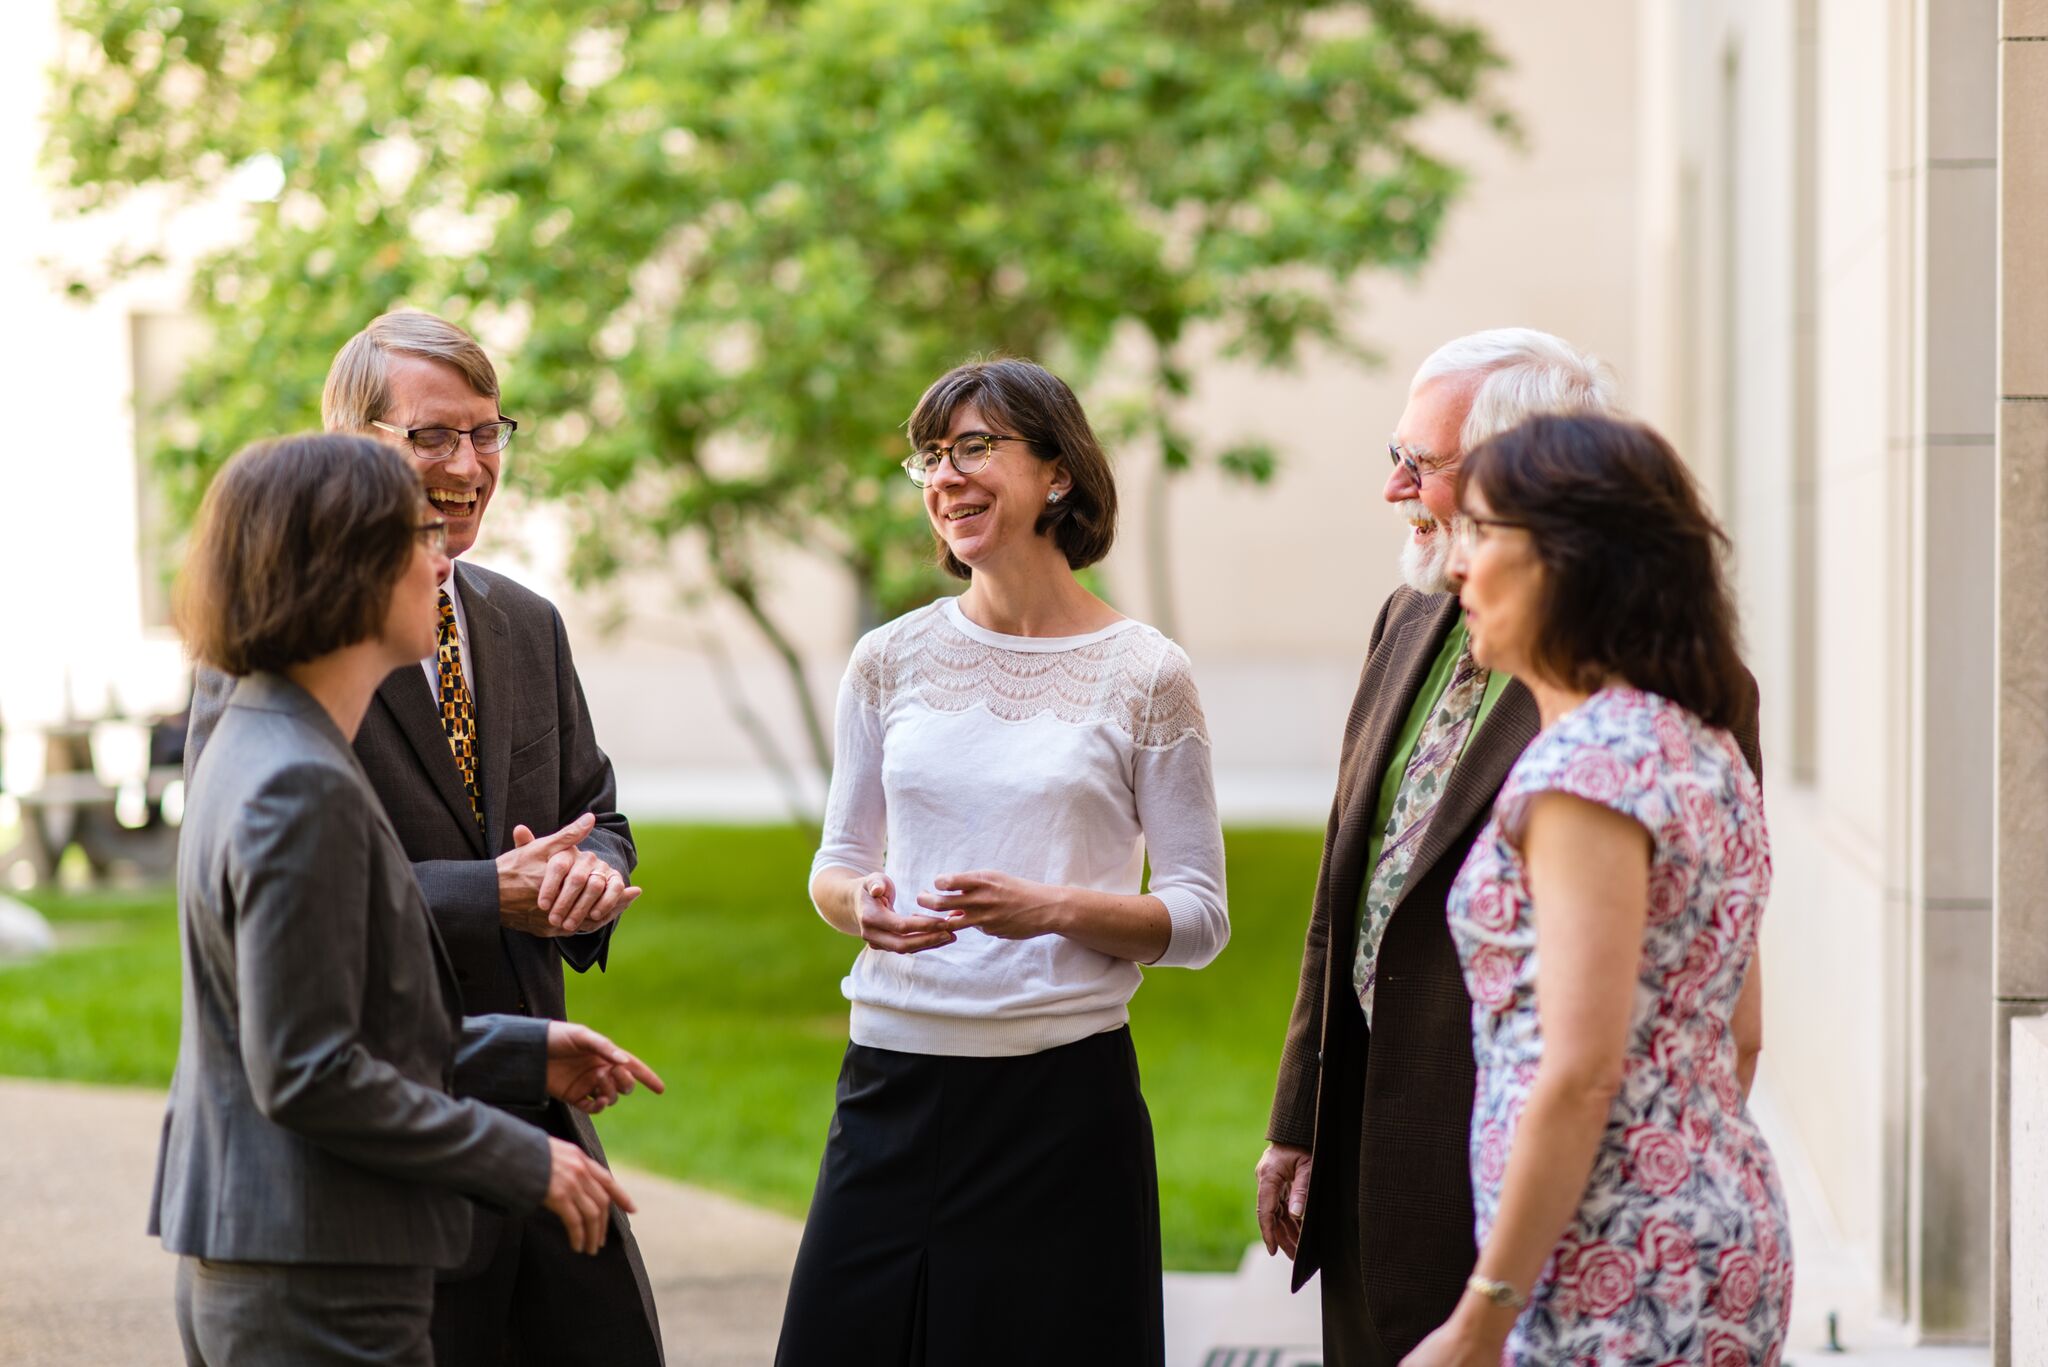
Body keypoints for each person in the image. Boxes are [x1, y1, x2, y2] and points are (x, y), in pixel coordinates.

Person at [1253, 329, 1765, 1365]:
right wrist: (1302, 1112)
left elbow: (1581, 1067)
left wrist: (1492, 1296)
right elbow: (1349, 883)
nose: (1398, 492)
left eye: (1434, 474)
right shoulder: (1673, 731)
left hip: (1560, 1228)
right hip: (1636, 1204)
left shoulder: (1595, 753)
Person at [182, 311, 663, 1366]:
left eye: (488, 432)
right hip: (359, 1187)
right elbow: (303, 1039)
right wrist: (488, 891)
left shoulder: (524, 621)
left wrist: (585, 880)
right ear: (354, 442)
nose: (468, 466)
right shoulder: (270, 699)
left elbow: (596, 807)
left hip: (528, 1112)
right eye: (431, 436)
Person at [774, 357, 1229, 1366]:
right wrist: (865, 906)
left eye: (973, 446)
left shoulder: (1144, 671)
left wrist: (1053, 906)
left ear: (1057, 473)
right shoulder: (886, 658)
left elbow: (1199, 916)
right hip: (888, 1088)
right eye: (929, 458)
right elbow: (835, 864)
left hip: (1059, 1109)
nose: (943, 476)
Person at [1402, 412, 1790, 1364]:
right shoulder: (1696, 741)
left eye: (1482, 531)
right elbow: (1740, 1034)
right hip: (1704, 1227)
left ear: (1568, 560)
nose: (1457, 565)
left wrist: (1479, 1319)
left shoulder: (1586, 770)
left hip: (1615, 1265)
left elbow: (1579, 1073)